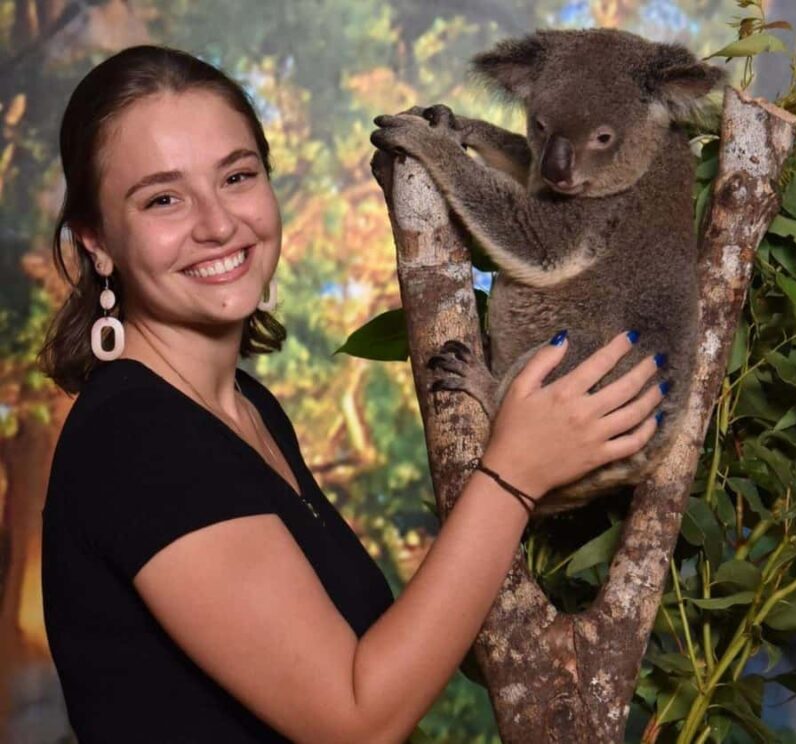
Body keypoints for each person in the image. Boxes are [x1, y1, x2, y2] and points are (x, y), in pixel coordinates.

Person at [39, 45, 667, 743]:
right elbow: (353, 721)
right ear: (96, 242)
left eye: (237, 176)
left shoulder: (246, 409)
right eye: (163, 198)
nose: (218, 224)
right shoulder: (136, 437)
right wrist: (512, 476)